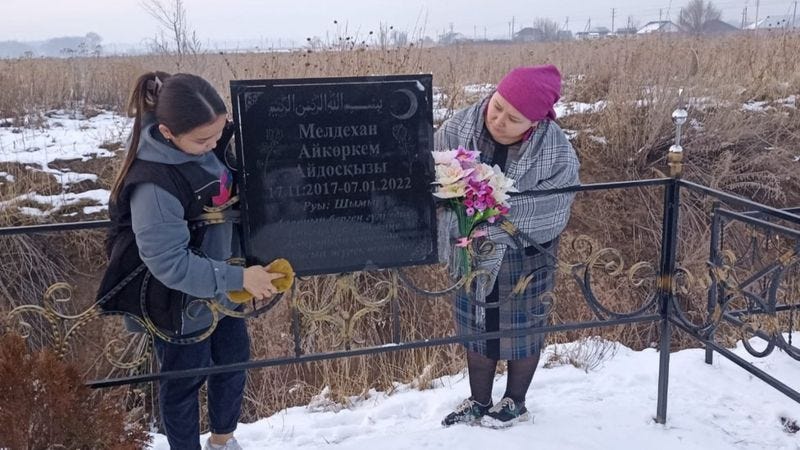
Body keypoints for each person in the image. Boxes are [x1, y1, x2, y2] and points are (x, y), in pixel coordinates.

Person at [105, 72, 284, 450]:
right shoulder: (153, 184)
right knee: (184, 381)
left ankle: (223, 442)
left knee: (232, 362)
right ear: (167, 133)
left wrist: (252, 270)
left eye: (218, 134)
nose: (213, 144)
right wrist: (239, 279)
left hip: (223, 286)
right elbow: (169, 262)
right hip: (175, 301)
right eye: (203, 139)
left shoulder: (208, 147)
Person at [434, 65, 580, 428]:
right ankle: (479, 401)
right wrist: (460, 209)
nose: (498, 119)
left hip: (526, 254)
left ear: (533, 122)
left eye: (513, 118)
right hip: (473, 250)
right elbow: (431, 172)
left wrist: (494, 211)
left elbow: (555, 202)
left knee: (523, 328)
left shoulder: (554, 148)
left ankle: (515, 402)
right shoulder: (460, 126)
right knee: (476, 324)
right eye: (497, 106)